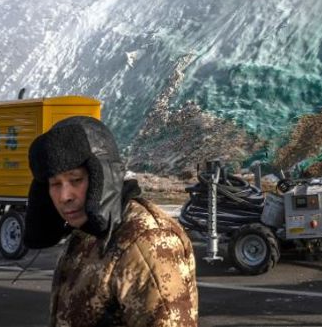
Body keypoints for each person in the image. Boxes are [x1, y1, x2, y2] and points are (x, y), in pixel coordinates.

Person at [25, 115, 198, 327]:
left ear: (103, 176)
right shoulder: (86, 231)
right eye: (55, 184)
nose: (64, 196)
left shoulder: (146, 241)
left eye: (76, 180)